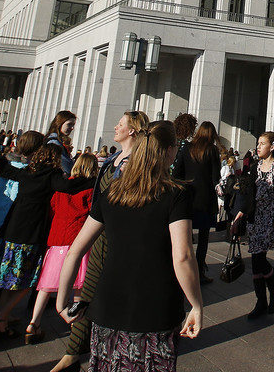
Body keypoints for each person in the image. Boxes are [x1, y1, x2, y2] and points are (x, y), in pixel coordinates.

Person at [56, 123, 202, 371]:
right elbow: (183, 256)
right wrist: (196, 304)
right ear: (168, 151)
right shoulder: (176, 194)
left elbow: (76, 250)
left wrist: (61, 301)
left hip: (107, 306)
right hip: (156, 308)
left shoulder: (112, 191)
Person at [52, 111, 155, 372]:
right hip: (100, 231)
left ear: (132, 130)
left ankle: (80, 355)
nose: (115, 126)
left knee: (98, 292)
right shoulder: (112, 159)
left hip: (116, 237)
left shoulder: (132, 164)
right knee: (89, 290)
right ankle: (73, 354)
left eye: (120, 124)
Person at [0, 131, 91, 343]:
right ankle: (1, 315)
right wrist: (91, 181)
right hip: (32, 232)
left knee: (11, 279)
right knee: (27, 280)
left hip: (13, 230)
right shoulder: (51, 175)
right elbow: (68, 187)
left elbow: (5, 169)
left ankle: (3, 318)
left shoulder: (27, 172)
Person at [26, 152, 99, 344]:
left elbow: (52, 209)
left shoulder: (61, 188)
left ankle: (34, 322)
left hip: (57, 240)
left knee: (46, 286)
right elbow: (93, 212)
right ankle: (76, 325)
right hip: (77, 240)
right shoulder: (90, 189)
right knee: (78, 286)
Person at [230, 131, 274, 319]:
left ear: (272, 147)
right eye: (258, 143)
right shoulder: (255, 166)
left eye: (262, 144)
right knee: (257, 259)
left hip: (268, 218)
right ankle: (262, 299)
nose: (258, 147)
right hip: (254, 217)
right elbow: (248, 192)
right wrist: (240, 214)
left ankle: (273, 292)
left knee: (259, 258)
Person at [173, 121, 221, 283]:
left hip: (188, 197)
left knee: (185, 237)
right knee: (203, 239)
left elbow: (177, 172)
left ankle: (181, 270)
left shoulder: (187, 148)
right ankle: (199, 272)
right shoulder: (212, 150)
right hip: (206, 199)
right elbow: (216, 177)